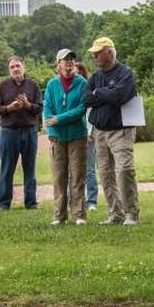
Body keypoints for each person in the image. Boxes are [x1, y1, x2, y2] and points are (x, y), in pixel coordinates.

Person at [84, 37, 140, 226]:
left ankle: (131, 213)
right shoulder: (96, 76)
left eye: (98, 53)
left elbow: (119, 96)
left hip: (121, 132)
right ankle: (115, 214)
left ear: (109, 52)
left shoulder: (125, 74)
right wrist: (105, 93)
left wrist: (98, 93)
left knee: (124, 170)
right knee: (106, 174)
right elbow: (86, 99)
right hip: (100, 132)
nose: (94, 56)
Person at [44, 49, 89, 226]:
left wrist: (59, 119)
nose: (69, 62)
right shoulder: (51, 85)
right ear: (58, 64)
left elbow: (81, 109)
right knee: (58, 177)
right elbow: (47, 109)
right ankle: (59, 215)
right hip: (57, 137)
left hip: (77, 136)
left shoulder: (82, 83)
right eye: (65, 60)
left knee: (78, 175)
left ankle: (79, 214)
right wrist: (52, 131)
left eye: (71, 59)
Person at [0, 56, 42, 210]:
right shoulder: (3, 86)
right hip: (9, 132)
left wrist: (27, 105)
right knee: (7, 168)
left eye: (18, 66)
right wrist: (9, 108)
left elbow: (40, 108)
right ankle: (3, 203)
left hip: (29, 131)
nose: (15, 69)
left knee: (30, 168)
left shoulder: (33, 86)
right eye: (12, 67)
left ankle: (31, 202)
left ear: (23, 67)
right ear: (9, 70)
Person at [74, 61, 99, 210]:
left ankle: (91, 201)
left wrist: (90, 133)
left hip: (88, 135)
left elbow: (91, 114)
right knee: (73, 170)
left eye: (78, 73)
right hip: (73, 135)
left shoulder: (88, 90)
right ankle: (75, 199)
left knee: (89, 169)